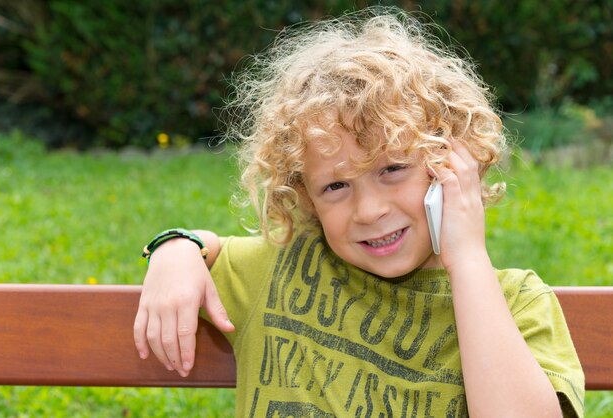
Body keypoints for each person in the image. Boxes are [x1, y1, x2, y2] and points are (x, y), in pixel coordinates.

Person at [133, 7, 584, 417]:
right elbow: (205, 251)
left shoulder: (517, 303)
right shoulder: (282, 272)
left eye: (392, 169)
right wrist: (174, 248)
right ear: (305, 196)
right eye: (335, 186)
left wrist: (467, 260)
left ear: (451, 163)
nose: (368, 210)